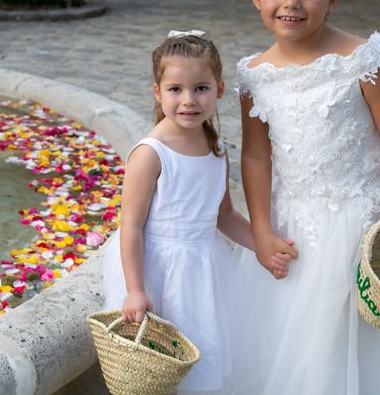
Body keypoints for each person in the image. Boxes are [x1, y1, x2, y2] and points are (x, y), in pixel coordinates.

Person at [236, 0, 380, 395]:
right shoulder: (254, 75)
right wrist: (262, 230)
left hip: (364, 221)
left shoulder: (363, 59)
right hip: (295, 227)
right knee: (298, 344)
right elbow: (255, 154)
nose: (293, 3)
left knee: (361, 328)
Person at [102, 31, 293, 394]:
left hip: (204, 270)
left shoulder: (215, 148)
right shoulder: (150, 154)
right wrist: (135, 290)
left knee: (204, 355)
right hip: (156, 268)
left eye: (201, 88)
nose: (189, 100)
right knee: (155, 363)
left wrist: (263, 247)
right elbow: (131, 228)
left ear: (219, 89)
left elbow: (223, 216)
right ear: (158, 92)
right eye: (175, 89)